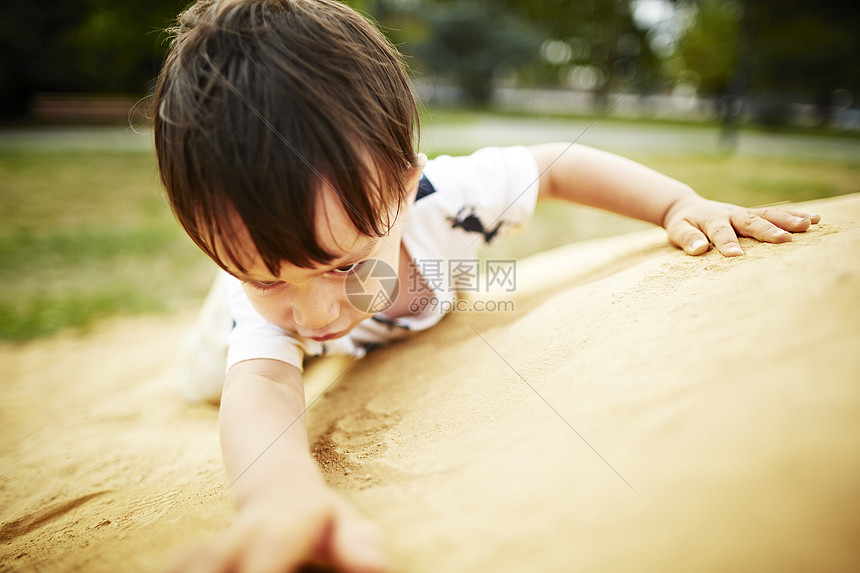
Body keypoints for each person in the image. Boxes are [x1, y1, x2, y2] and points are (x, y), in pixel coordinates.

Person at [154, 0, 820, 571]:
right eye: (263, 274)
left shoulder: (454, 197)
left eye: (344, 263)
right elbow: (262, 389)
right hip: (226, 344)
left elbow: (561, 166)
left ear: (405, 184)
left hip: (427, 283)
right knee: (216, 374)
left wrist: (678, 204)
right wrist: (279, 494)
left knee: (456, 287)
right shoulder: (262, 310)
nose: (315, 308)